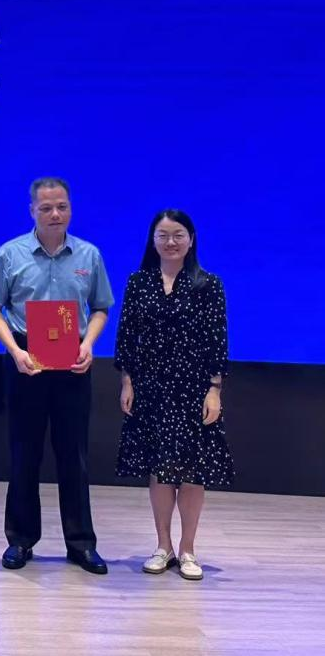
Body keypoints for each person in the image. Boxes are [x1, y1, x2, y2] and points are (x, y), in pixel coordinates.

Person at [0, 177, 114, 574]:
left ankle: (81, 543)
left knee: (74, 454)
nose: (55, 214)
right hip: (27, 359)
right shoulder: (10, 254)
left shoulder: (89, 254)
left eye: (62, 207)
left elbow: (101, 307)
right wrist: (16, 351)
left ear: (70, 208)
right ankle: (21, 540)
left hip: (73, 360)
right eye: (46, 208)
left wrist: (88, 344)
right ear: (32, 211)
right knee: (25, 453)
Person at [115, 209, 232, 581]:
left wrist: (214, 390)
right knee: (160, 468)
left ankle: (188, 549)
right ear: (152, 241)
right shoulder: (139, 282)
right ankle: (163, 545)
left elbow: (217, 341)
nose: (170, 242)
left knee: (193, 469)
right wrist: (127, 382)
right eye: (163, 235)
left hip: (193, 388)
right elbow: (126, 336)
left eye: (178, 234)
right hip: (151, 387)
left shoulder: (208, 284)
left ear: (191, 239)